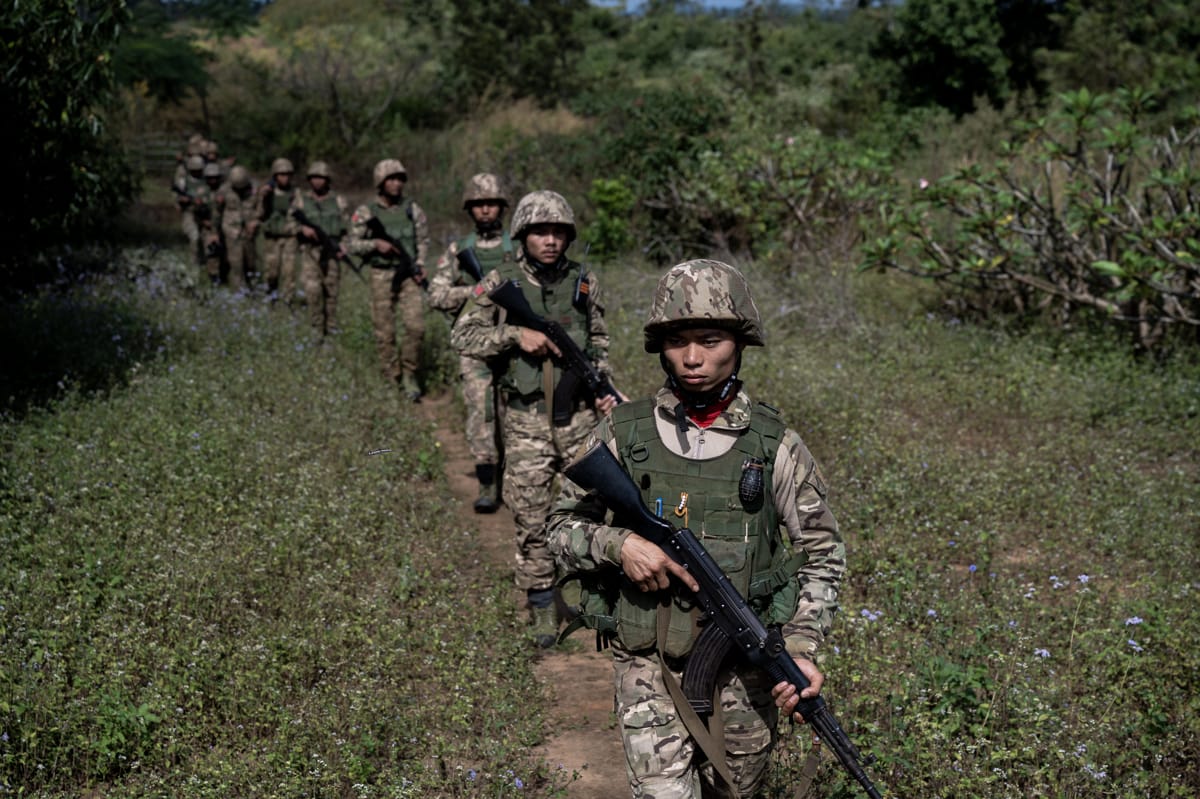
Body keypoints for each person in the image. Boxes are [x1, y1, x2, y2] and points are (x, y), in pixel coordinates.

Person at [545, 259, 846, 797]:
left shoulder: (776, 446)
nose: (691, 358)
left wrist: (800, 645)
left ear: (740, 343)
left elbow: (822, 554)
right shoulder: (622, 431)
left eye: (709, 340)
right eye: (677, 341)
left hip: (746, 677)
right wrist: (620, 543)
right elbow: (559, 525)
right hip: (647, 666)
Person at [451, 190, 619, 646]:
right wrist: (513, 335)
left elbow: (599, 341)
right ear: (523, 235)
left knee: (590, 511)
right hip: (526, 421)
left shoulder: (585, 281)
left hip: (580, 418)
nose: (550, 240)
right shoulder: (499, 281)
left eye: (558, 232)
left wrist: (604, 387)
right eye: (540, 232)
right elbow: (463, 335)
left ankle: (588, 594)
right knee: (530, 515)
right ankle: (542, 602)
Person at [429, 173, 516, 512]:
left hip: (512, 345)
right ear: (469, 209)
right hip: (474, 346)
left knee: (512, 417)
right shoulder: (459, 250)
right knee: (481, 416)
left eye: (491, 203)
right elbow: (436, 294)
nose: (485, 210)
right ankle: (486, 484)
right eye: (478, 204)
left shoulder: (518, 248)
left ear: (502, 207)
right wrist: (477, 292)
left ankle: (512, 483)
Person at [346, 158, 430, 401]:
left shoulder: (412, 209)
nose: (396, 184)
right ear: (380, 183)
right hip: (381, 275)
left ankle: (409, 374)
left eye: (399, 179)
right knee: (385, 331)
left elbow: (422, 240)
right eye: (390, 179)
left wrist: (421, 264)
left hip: (408, 276)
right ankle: (390, 378)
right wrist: (375, 244)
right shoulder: (366, 213)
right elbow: (351, 244)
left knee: (416, 327)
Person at [292, 161, 349, 336]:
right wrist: (302, 229)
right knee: (313, 292)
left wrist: (345, 245)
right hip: (310, 253)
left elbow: (347, 227)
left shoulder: (338, 201)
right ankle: (316, 330)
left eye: (321, 178)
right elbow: (289, 223)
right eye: (314, 178)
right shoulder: (301, 200)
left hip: (331, 253)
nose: (317, 182)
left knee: (331, 292)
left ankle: (331, 328)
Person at [257, 157, 299, 301]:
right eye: (282, 175)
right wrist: (262, 198)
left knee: (289, 272)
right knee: (271, 272)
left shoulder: (296, 193)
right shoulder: (267, 193)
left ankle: (288, 301)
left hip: (289, 237)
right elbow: (259, 215)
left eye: (288, 175)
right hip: (272, 237)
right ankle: (270, 298)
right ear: (275, 176)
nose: (285, 178)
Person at [218, 165, 259, 291]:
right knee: (236, 263)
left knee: (250, 262)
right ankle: (239, 292)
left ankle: (253, 287)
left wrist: (256, 221)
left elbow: (261, 208)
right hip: (231, 230)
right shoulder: (224, 190)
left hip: (249, 231)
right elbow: (217, 211)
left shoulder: (256, 188)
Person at [174, 153, 207, 266]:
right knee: (194, 237)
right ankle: (194, 264)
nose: (197, 172)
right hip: (190, 213)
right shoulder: (184, 182)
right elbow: (177, 197)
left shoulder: (207, 180)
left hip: (205, 213)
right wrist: (183, 200)